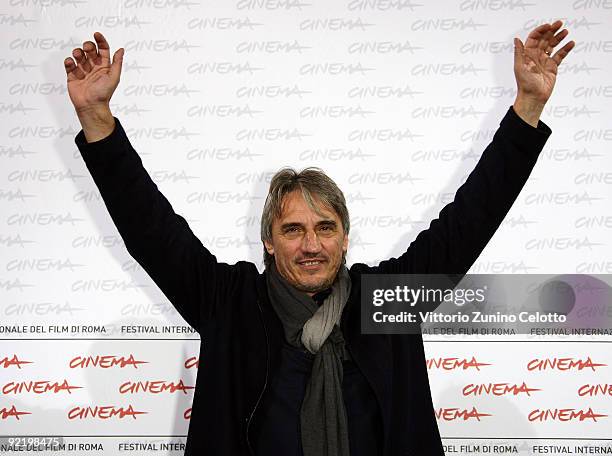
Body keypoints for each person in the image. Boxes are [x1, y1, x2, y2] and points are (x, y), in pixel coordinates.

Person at [64, 22, 574, 456]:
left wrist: (528, 105)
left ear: (345, 238)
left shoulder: (386, 302)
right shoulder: (228, 303)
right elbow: (149, 227)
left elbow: (471, 219)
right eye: (293, 230)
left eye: (325, 228)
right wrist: (95, 118)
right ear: (268, 241)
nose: (312, 245)